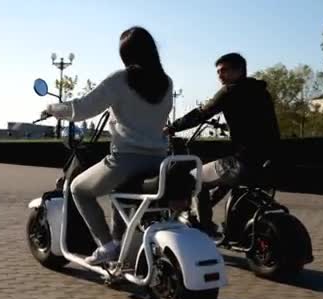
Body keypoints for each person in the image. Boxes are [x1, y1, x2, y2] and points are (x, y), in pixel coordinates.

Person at [42, 26, 173, 265]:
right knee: (120, 195)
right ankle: (121, 247)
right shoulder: (167, 83)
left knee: (78, 188)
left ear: (126, 54)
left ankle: (106, 245)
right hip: (159, 159)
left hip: (126, 159)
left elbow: (81, 109)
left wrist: (53, 109)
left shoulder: (121, 79)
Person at [167, 52, 281, 238]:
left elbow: (201, 113)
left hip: (245, 160)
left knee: (195, 177)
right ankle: (210, 216)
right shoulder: (261, 91)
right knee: (225, 178)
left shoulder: (230, 91)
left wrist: (172, 128)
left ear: (239, 70)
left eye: (224, 70)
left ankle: (204, 227)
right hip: (270, 160)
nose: (220, 76)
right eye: (218, 72)